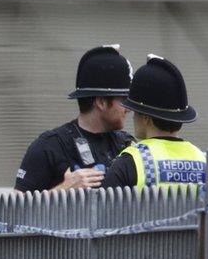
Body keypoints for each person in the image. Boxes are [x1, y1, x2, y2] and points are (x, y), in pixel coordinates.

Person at [14, 45, 134, 192]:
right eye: (124, 100)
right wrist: (63, 190)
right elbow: (15, 211)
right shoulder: (48, 147)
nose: (129, 108)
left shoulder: (127, 145)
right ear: (101, 103)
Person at [100, 55, 206, 190]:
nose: (132, 117)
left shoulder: (132, 161)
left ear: (145, 118)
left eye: (135, 111)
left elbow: (102, 208)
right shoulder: (202, 160)